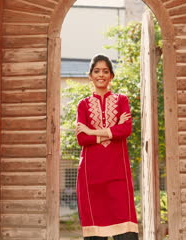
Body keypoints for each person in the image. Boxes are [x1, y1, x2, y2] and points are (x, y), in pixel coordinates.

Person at [75, 54, 138, 240]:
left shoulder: (121, 101)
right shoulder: (83, 105)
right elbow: (81, 138)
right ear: (90, 76)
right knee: (95, 232)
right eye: (96, 71)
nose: (101, 75)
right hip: (91, 174)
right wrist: (112, 129)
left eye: (105, 71)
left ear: (111, 76)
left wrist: (93, 131)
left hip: (117, 171)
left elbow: (125, 130)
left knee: (126, 231)